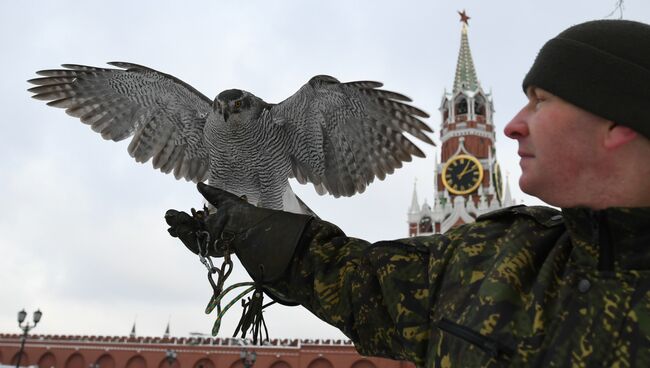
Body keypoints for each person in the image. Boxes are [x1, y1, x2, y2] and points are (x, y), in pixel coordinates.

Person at [166, 19, 650, 367]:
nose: (513, 126)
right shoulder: (496, 256)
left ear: (618, 124)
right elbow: (359, 283)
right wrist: (261, 234)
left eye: (541, 102)